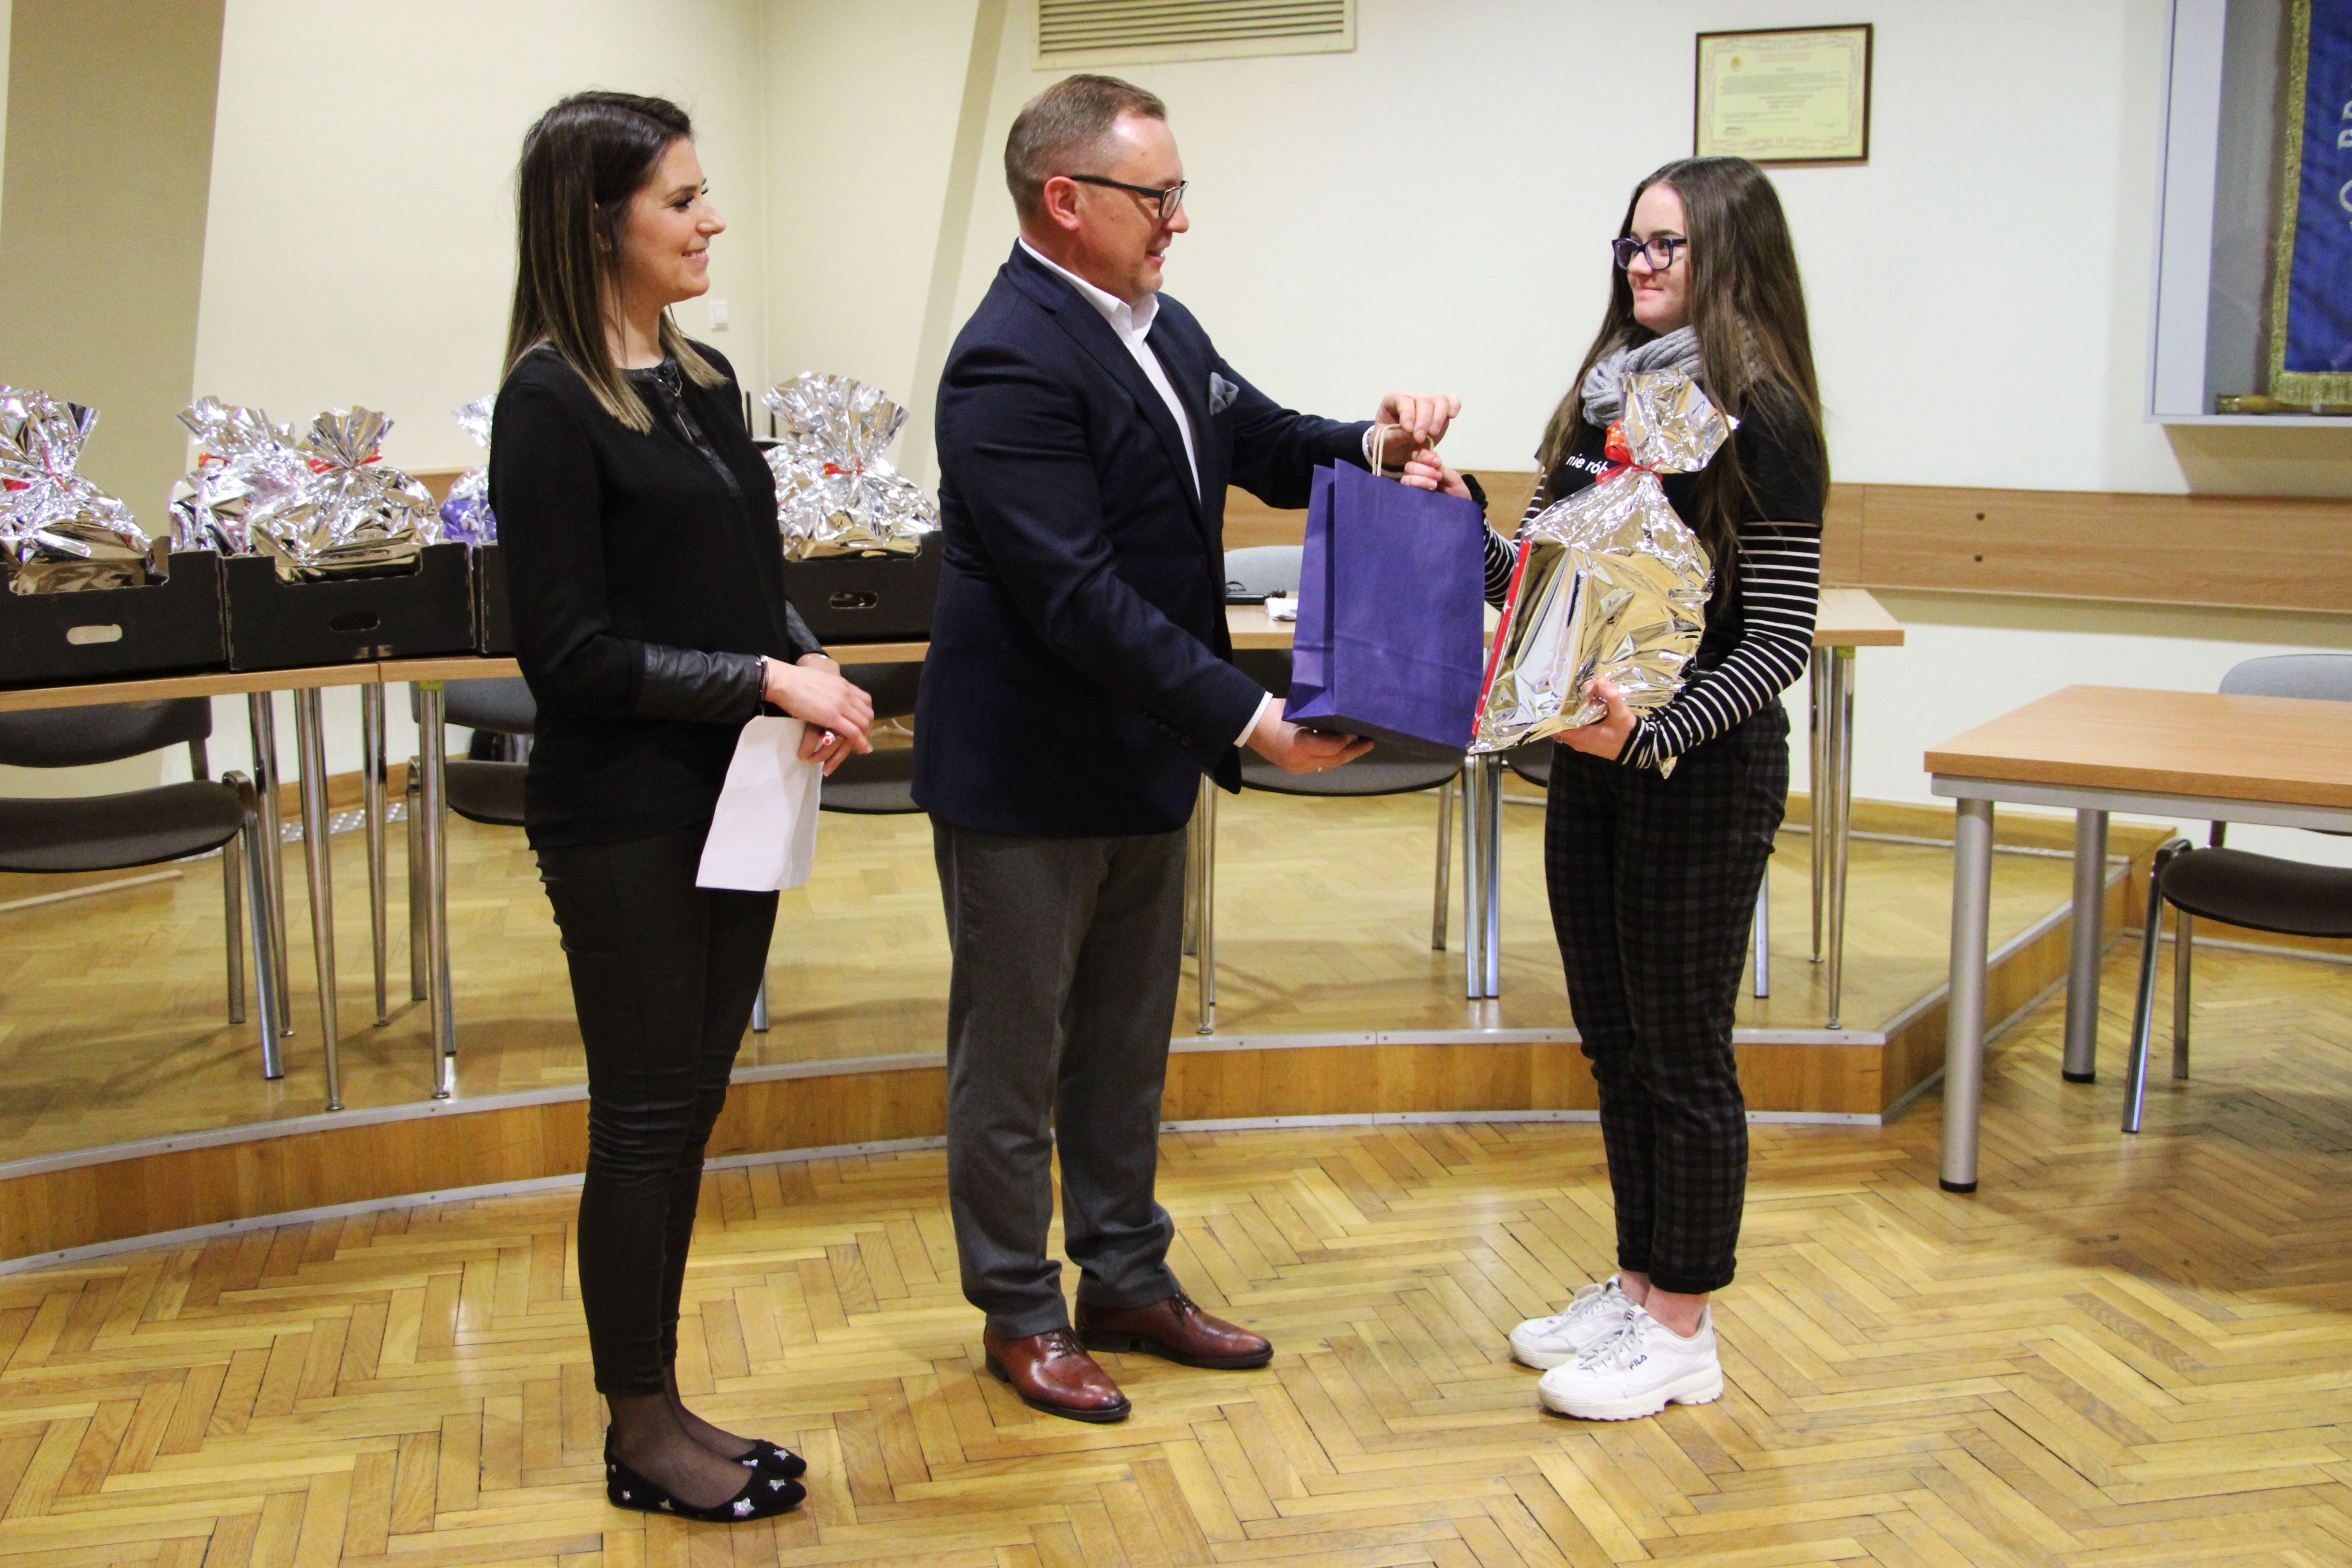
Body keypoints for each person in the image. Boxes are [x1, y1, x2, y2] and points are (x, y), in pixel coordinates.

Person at [914, 73, 1460, 1422]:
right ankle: (1021, 1313)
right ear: (1065, 199)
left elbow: (1264, 440)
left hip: (1140, 758)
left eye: (1178, 193)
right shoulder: (1005, 359)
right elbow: (1075, 597)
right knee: (1013, 1062)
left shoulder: (1159, 320)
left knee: (1122, 1047)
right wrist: (1252, 716)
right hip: (1028, 777)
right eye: (1157, 196)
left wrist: (1375, 441)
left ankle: (1126, 1280)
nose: (1180, 220)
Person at [490, 90, 875, 1518]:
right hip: (623, 811)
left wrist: (808, 664)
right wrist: (767, 679)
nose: (713, 219)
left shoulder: (702, 377)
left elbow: (740, 585)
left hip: (733, 792)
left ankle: (662, 1399)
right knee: (646, 1118)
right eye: (681, 199)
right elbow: (571, 656)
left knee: (693, 1101)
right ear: (601, 224)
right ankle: (638, 1430)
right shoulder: (549, 401)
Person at [1405, 156, 1826, 1421]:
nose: (1640, 265)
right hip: (1591, 770)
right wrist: (1460, 520)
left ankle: (1685, 1328)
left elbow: (1779, 641)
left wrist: (1654, 738)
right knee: (1615, 1042)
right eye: (1630, 244)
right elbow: (1538, 593)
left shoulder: (1769, 420)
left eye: (1666, 246)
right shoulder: (1603, 406)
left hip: (1697, 773)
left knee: (1683, 1052)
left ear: (1729, 258)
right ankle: (1639, 1284)